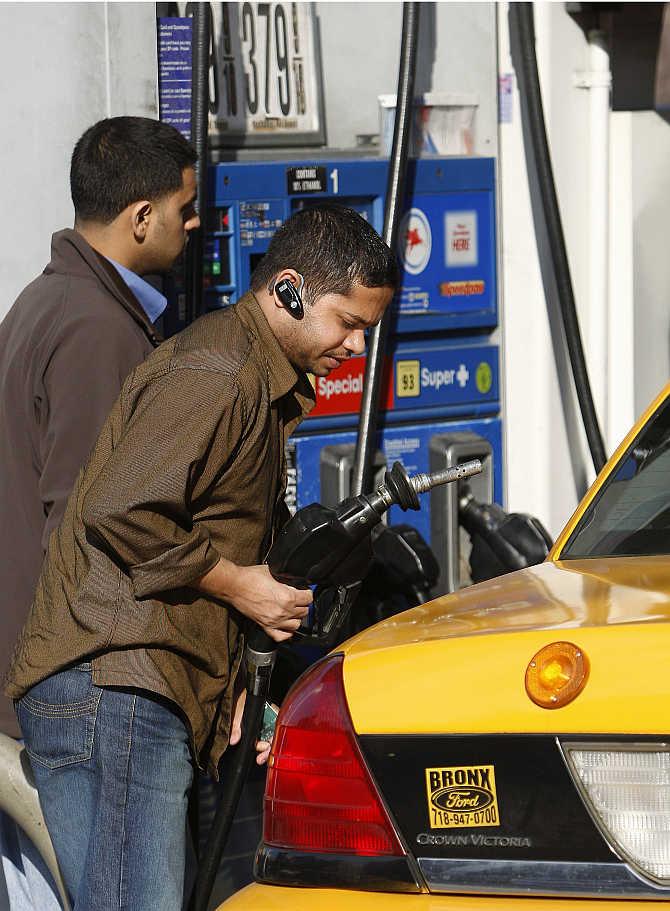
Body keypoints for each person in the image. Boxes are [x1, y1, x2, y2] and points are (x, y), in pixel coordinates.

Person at [4, 203, 398, 911]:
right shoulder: (219, 370)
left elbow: (206, 528)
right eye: (348, 321)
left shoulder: (257, 378)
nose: (356, 347)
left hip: (135, 679)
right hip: (116, 681)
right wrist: (241, 586)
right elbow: (120, 506)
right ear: (289, 290)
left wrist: (238, 682)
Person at [0, 115, 200, 909]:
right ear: (140, 217)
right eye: (184, 208)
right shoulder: (97, 331)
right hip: (81, 692)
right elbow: (88, 532)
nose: (196, 224)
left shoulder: (48, 300)